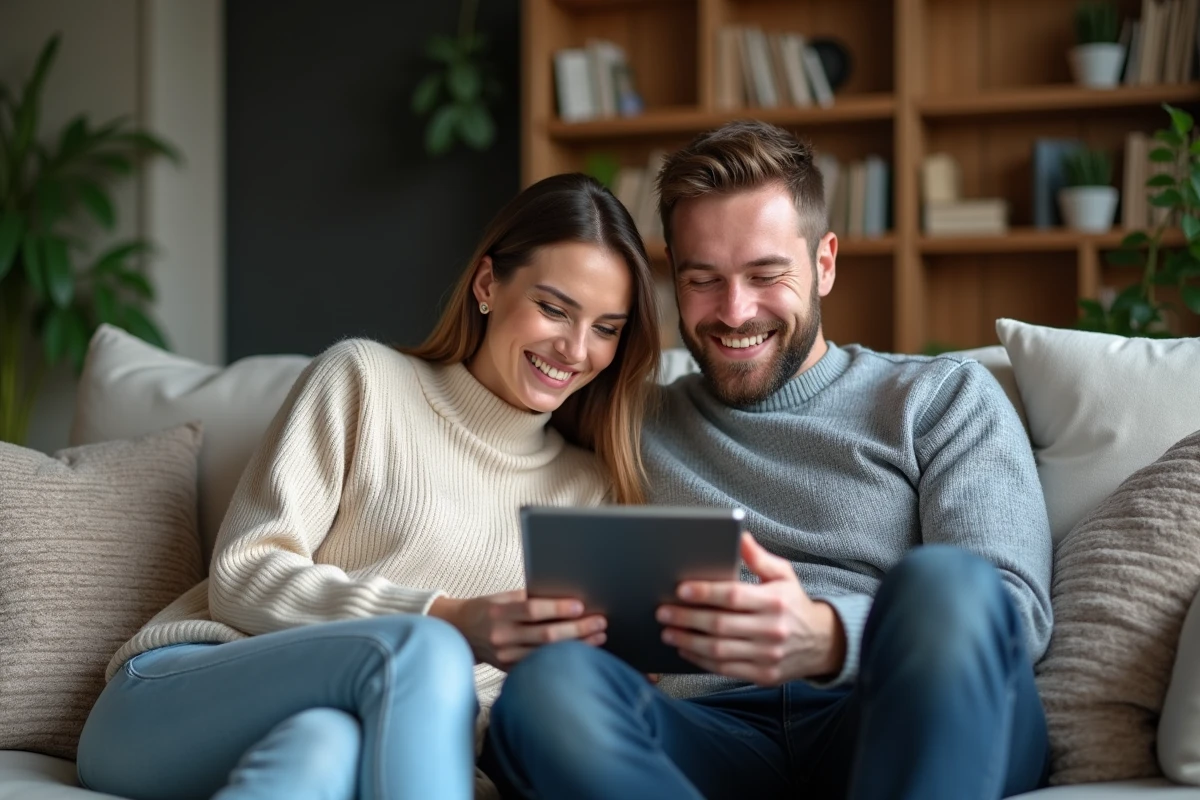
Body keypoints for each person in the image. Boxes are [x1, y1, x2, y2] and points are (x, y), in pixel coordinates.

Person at [484, 121, 1054, 799]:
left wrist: (827, 638)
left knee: (950, 583)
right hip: (705, 737)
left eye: (765, 275)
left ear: (825, 262)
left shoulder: (938, 397)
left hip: (896, 718)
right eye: (704, 280)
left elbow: (1009, 614)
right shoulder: (625, 419)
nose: (734, 311)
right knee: (546, 689)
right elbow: (483, 411)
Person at [75, 173, 661, 800]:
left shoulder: (590, 486)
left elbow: (533, 700)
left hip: (344, 731)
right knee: (428, 649)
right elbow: (242, 574)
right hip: (169, 700)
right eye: (554, 308)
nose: (575, 348)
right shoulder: (364, 381)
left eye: (606, 327)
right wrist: (450, 617)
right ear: (488, 284)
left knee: (323, 749)